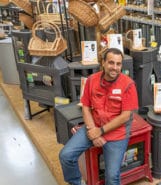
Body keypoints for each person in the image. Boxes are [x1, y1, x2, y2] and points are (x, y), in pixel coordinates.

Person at [59, 48, 138, 185]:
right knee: (66, 155)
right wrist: (92, 131)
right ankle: (76, 182)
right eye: (111, 63)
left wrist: (100, 131)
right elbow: (86, 106)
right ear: (103, 63)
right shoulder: (92, 80)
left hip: (116, 134)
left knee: (112, 176)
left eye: (118, 64)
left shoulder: (128, 85)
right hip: (93, 127)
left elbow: (125, 116)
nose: (115, 67)